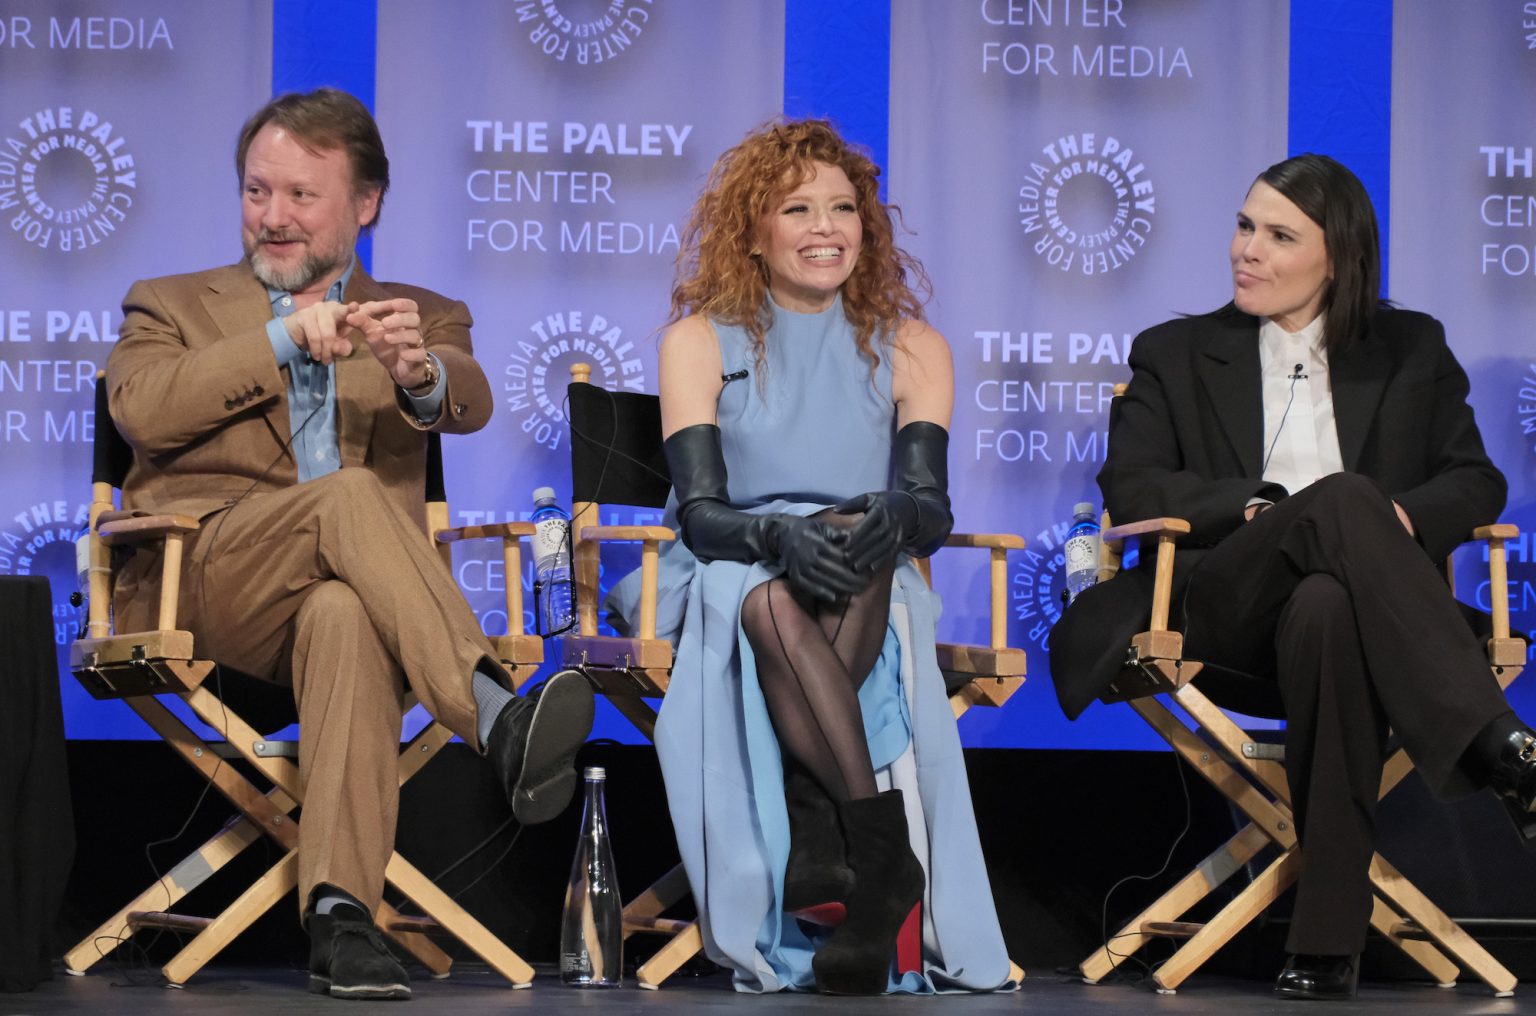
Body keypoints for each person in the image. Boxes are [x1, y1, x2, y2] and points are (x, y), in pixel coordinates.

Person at [105, 88, 595, 1001]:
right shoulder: (171, 303)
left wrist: (420, 374)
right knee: (350, 498)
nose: (273, 217)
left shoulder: (420, 312)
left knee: (344, 613)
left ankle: (340, 916)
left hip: (351, 602)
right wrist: (282, 339)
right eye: (259, 192)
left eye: (301, 195)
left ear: (365, 204)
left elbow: (471, 399)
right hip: (206, 579)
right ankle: (495, 715)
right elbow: (142, 408)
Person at [1050, 153, 1536, 1001]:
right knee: (1339, 499)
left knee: (1328, 602)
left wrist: (1397, 524)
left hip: (1354, 623)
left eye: (1278, 236)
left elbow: (1474, 481)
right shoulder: (1175, 351)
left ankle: (1324, 943)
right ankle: (1501, 749)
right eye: (1245, 226)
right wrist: (1262, 508)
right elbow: (1133, 487)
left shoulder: (1408, 347)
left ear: (1339, 258)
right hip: (1218, 610)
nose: (1248, 250)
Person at [605, 119, 1013, 995]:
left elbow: (930, 509)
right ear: (752, 231)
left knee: (855, 545)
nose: (825, 227)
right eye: (797, 209)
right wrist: (777, 536)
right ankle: (879, 849)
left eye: (843, 208)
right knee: (769, 603)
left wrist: (893, 514)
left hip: (863, 559)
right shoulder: (697, 340)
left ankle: (830, 834)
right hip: (728, 562)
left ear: (867, 228)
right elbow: (705, 516)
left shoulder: (913, 346)